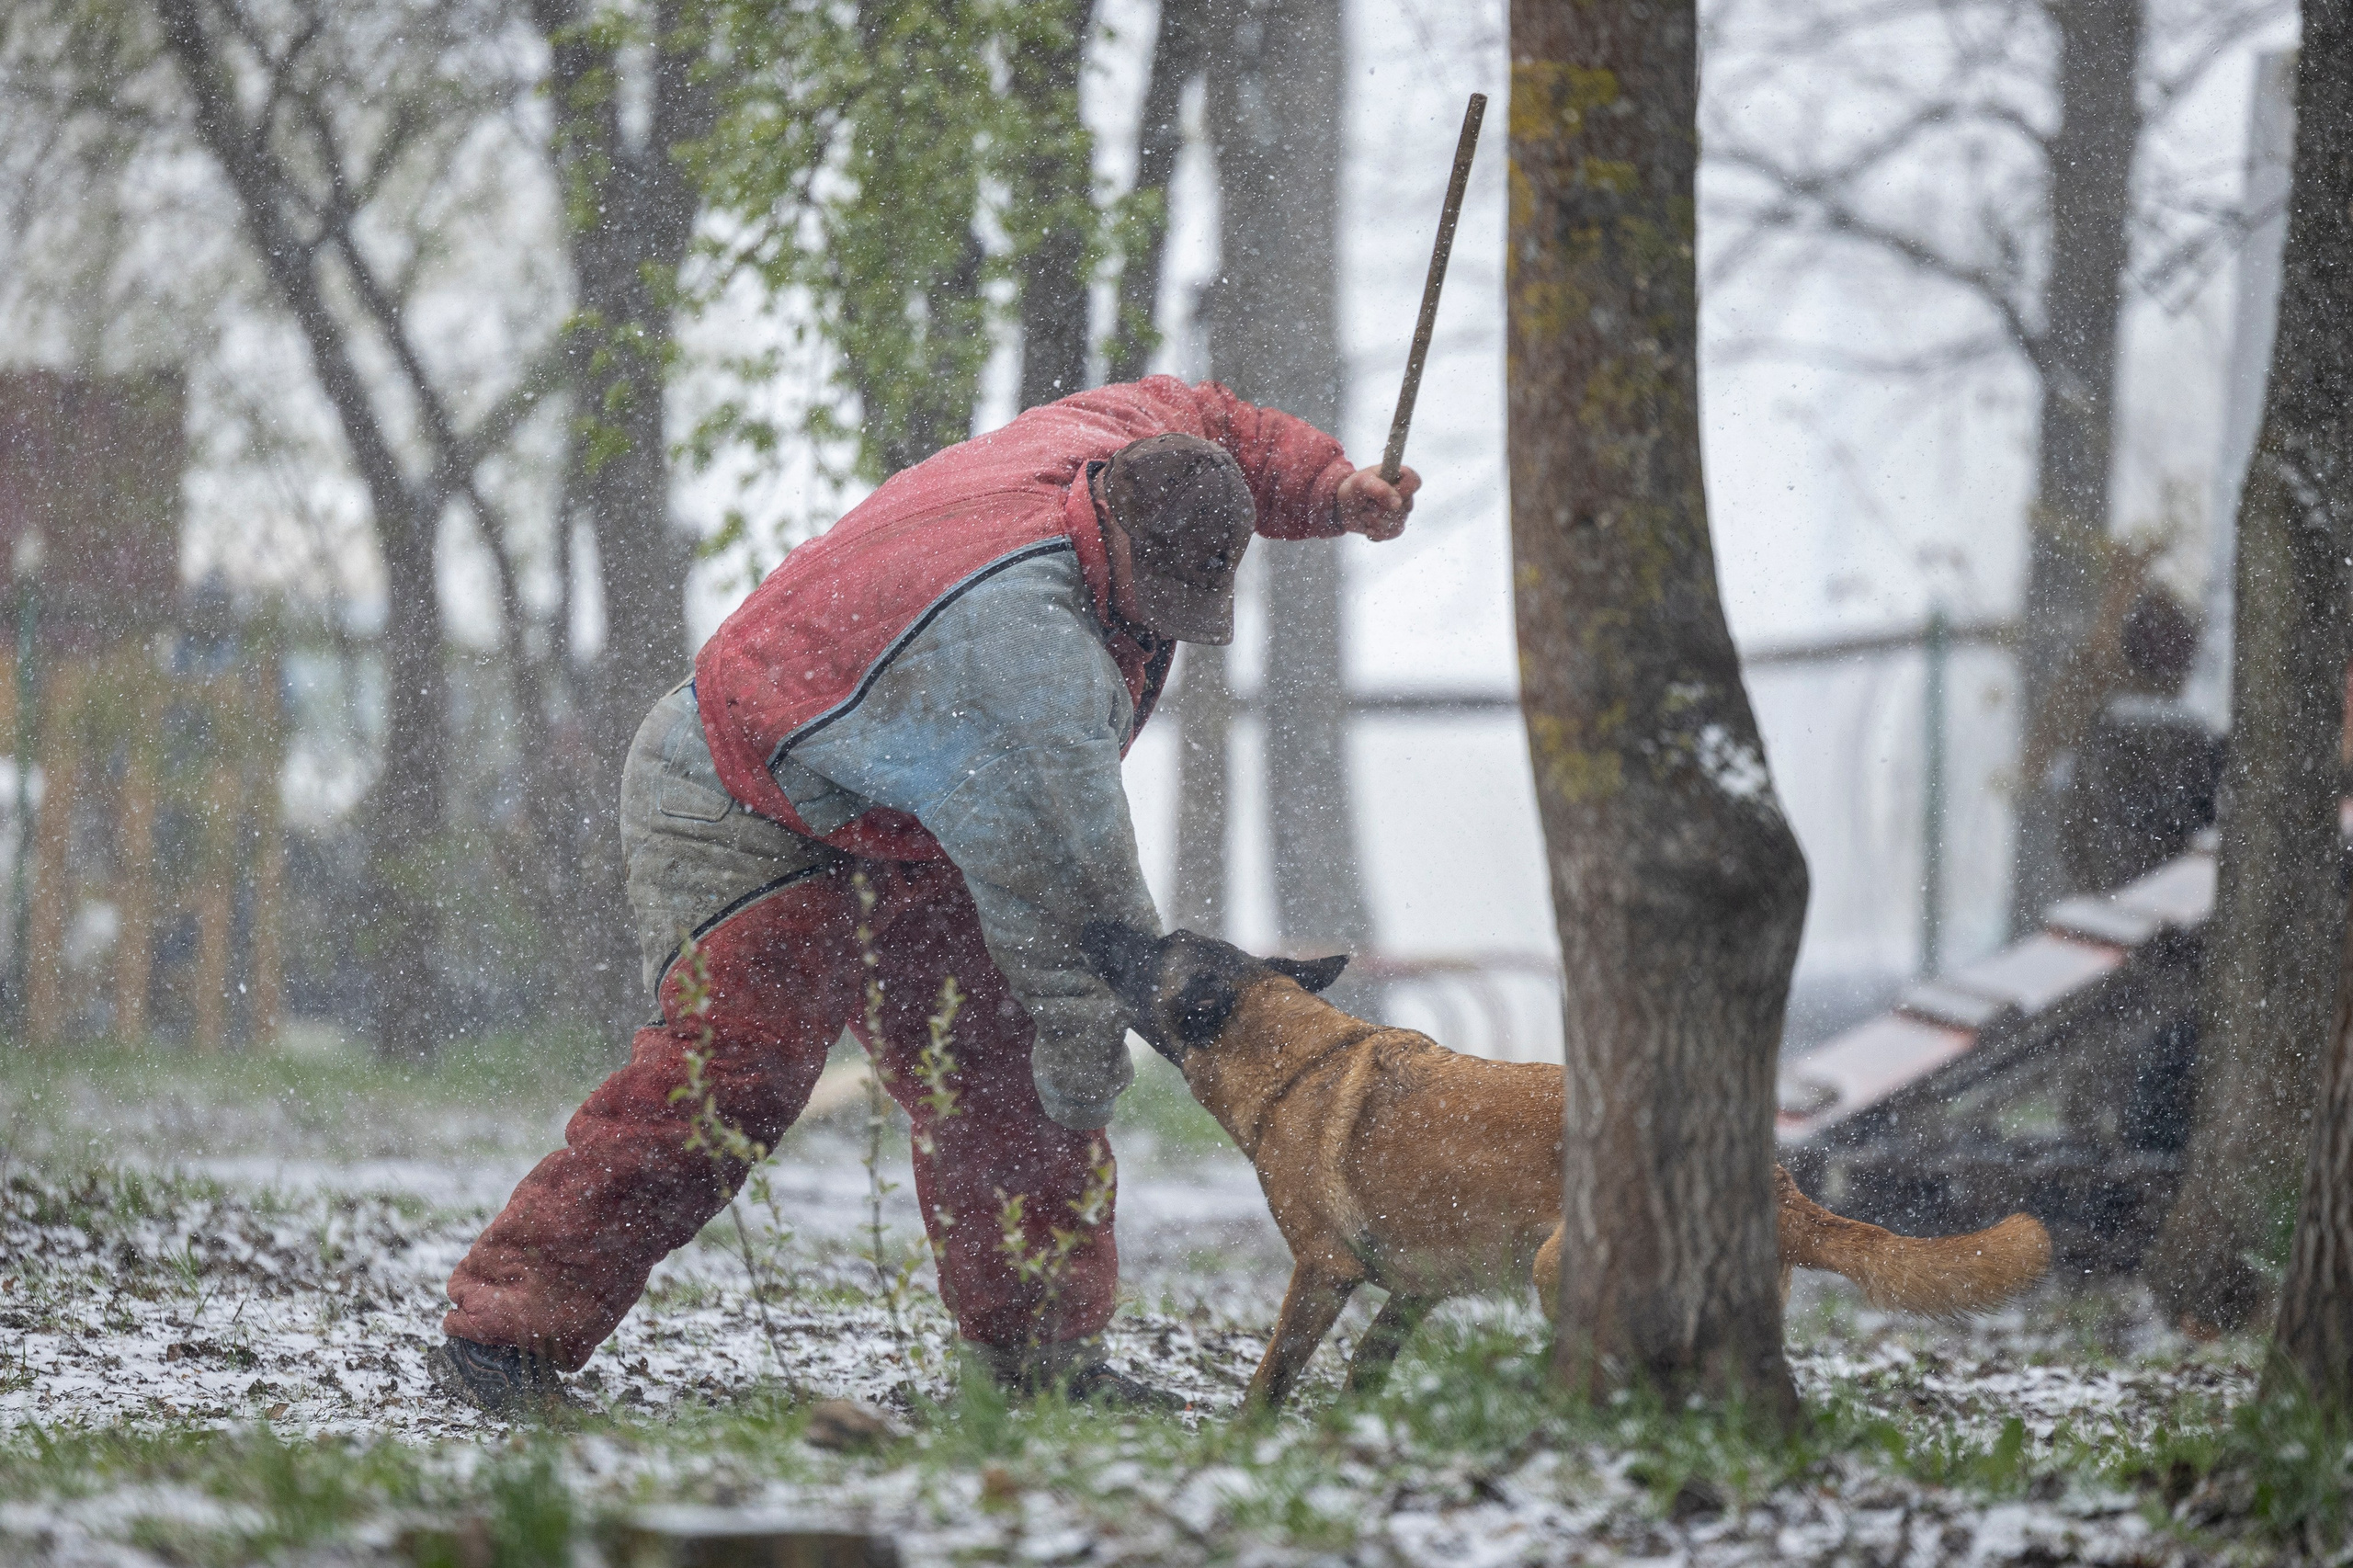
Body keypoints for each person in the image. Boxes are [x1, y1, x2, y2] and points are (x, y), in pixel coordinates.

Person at [426, 375, 1418, 1413]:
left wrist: (1327, 485)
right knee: (737, 1073)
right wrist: (1087, 1084)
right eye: (1155, 592)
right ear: (1111, 524)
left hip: (905, 804)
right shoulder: (1025, 656)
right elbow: (1087, 933)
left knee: (995, 1062)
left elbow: (1215, 420)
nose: (1166, 624)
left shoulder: (1125, 437)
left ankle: (1040, 1365)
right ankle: (508, 1334)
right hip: (745, 787)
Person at [2058, 586, 2224, 896]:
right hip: (2175, 903)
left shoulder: (2104, 727)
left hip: (2113, 899)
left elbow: (2074, 834)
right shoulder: (2196, 736)